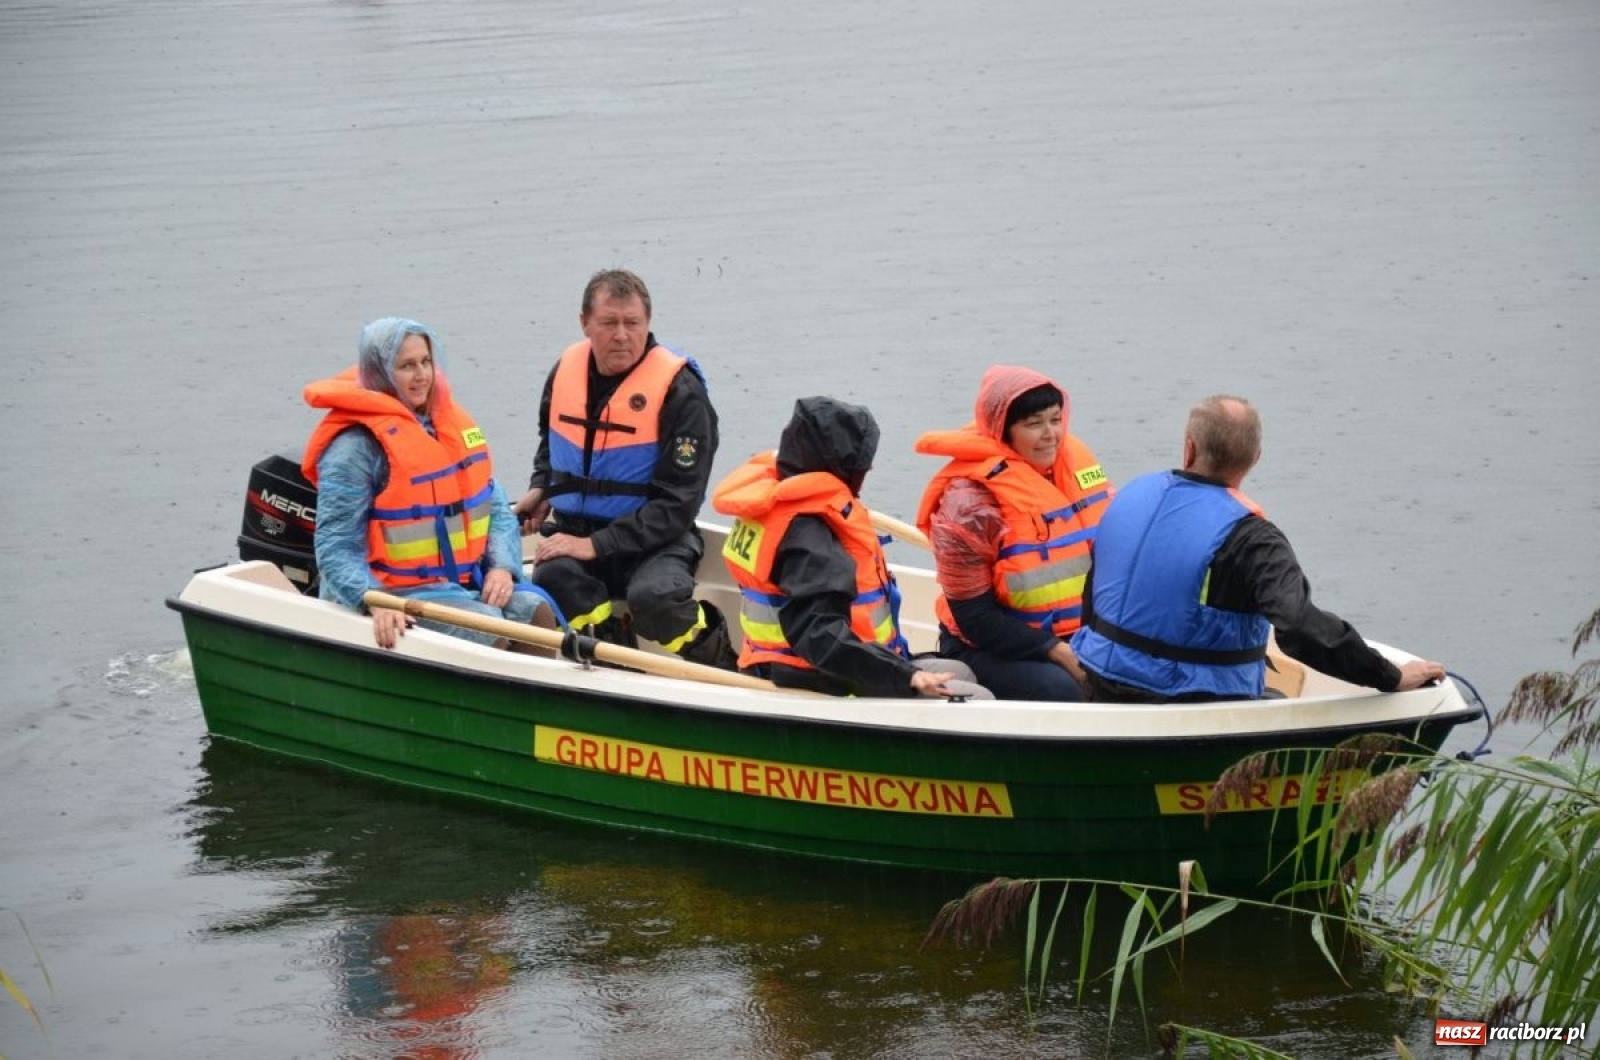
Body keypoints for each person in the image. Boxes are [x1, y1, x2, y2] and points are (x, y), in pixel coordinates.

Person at [1070, 394, 1447, 702]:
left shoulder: (1128, 496)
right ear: (1255, 458)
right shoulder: (1254, 539)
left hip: (1100, 680)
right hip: (1188, 698)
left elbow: (1096, 591)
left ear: (1189, 448)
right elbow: (1298, 628)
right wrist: (1390, 676)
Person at [512, 269, 737, 670]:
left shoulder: (681, 394)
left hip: (657, 542)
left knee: (654, 599)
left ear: (647, 324)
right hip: (576, 529)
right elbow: (553, 441)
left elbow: (678, 506)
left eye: (632, 324)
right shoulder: (566, 371)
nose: (621, 335)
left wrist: (596, 545)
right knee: (552, 578)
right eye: (609, 323)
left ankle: (724, 665)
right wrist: (542, 488)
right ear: (585, 323)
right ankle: (615, 664)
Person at [712, 396, 989, 699]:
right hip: (813, 673)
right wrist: (905, 675)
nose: (866, 472)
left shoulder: (776, 507)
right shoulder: (812, 538)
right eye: (860, 468)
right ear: (838, 467)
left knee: (962, 672)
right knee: (979, 699)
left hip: (782, 661)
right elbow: (818, 637)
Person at [303, 317, 537, 650]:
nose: (421, 375)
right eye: (407, 366)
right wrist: (374, 599)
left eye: (426, 361)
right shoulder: (354, 448)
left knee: (535, 614)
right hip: (394, 592)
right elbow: (335, 546)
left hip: (458, 584)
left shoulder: (447, 429)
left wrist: (502, 567)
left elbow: (495, 507)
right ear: (380, 372)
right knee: (489, 630)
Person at [913, 365, 1113, 700]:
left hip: (1075, 634)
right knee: (1065, 691)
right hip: (987, 645)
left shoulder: (1074, 471)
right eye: (1034, 423)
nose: (1050, 433)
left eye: (1055, 419)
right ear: (1002, 431)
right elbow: (974, 617)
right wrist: (1058, 652)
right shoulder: (969, 505)